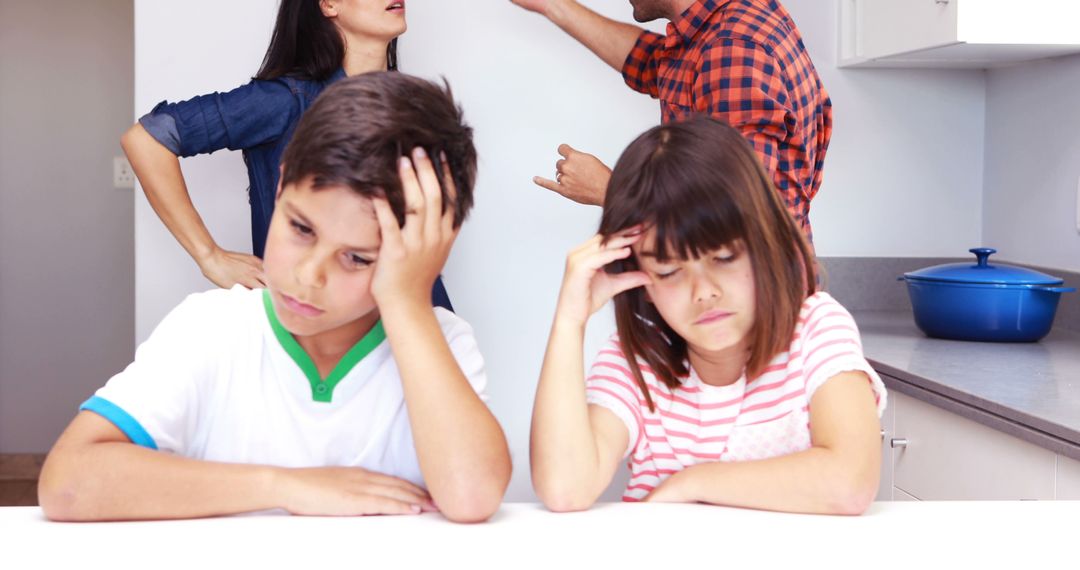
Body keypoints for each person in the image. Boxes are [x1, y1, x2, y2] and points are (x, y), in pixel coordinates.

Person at [38, 72, 511, 523]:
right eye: (301, 228)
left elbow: (472, 495)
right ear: (281, 185)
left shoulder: (442, 342)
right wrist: (290, 486)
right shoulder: (212, 327)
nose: (309, 275)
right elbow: (68, 484)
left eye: (357, 259)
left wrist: (408, 304)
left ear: (426, 254)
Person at [530, 116, 884, 514]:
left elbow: (850, 481)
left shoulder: (816, 329)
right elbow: (563, 489)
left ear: (763, 242)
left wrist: (691, 483)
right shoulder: (637, 362)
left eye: (725, 258)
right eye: (669, 271)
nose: (704, 293)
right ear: (639, 276)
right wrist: (569, 320)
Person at [121, 0, 454, 309]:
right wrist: (210, 256)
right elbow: (148, 138)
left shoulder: (416, 108)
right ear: (328, 4)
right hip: (319, 328)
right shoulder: (285, 100)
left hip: (419, 316)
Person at [511, 0, 832, 241]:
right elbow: (654, 64)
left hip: (752, 302)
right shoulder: (721, 26)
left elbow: (732, 218)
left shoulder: (734, 50)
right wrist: (553, 6)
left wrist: (611, 190)